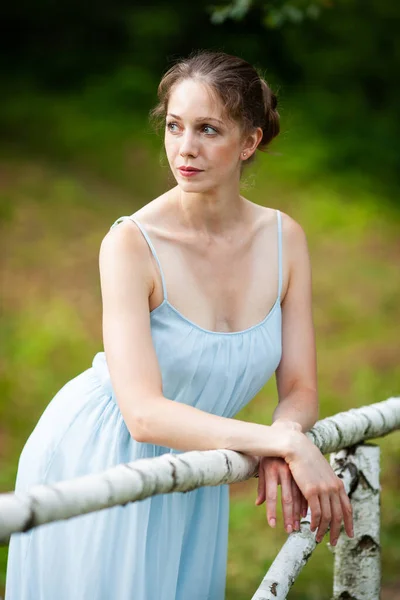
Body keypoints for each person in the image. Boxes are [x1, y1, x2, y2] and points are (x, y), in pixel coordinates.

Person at [5, 50, 353, 600]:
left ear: (250, 142)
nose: (184, 148)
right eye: (174, 126)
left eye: (208, 129)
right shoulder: (130, 243)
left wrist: (286, 437)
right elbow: (142, 415)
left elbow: (301, 387)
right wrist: (279, 444)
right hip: (100, 456)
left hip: (204, 458)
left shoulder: (285, 240)